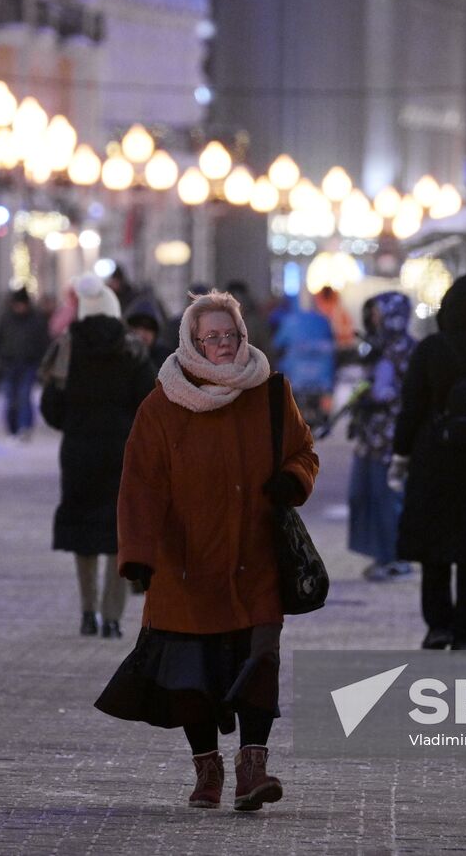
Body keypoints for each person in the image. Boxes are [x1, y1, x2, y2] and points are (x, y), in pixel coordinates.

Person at [96, 290, 318, 812]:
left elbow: (303, 450)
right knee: (189, 675)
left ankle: (252, 769)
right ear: (191, 341)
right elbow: (141, 486)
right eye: (211, 337)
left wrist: (292, 479)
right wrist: (138, 554)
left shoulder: (269, 392)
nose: (222, 344)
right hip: (184, 564)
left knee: (258, 661)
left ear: (245, 337)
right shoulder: (162, 403)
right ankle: (208, 768)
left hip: (254, 555)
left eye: (230, 335)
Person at [388, 273, 466, 651]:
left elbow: (411, 405)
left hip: (435, 461)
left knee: (436, 549)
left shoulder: (431, 349)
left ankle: (438, 625)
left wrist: (402, 453)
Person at [40, 274, 156, 638]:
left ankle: (87, 612)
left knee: (83, 530)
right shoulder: (131, 348)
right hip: (122, 450)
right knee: (119, 534)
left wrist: (73, 422)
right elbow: (148, 402)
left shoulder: (67, 347)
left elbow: (51, 405)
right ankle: (112, 617)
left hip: (78, 450)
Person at [348, 292, 415, 582]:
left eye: (378, 313)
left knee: (388, 498)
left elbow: (409, 392)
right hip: (370, 437)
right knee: (364, 494)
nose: (374, 320)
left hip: (391, 439)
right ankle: (381, 553)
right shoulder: (377, 348)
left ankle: (394, 557)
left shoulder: (407, 350)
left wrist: (381, 401)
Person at [0, 287, 50, 439]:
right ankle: (12, 428)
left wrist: (42, 363)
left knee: (24, 396)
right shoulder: (6, 318)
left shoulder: (36, 319)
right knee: (11, 398)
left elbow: (44, 343)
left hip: (29, 364)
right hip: (9, 363)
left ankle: (25, 427)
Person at [272, 295, 335, 425]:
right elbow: (331, 339)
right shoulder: (323, 320)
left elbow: (277, 343)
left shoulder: (288, 321)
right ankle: (324, 411)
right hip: (322, 373)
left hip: (296, 372)